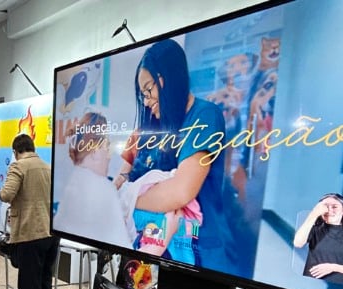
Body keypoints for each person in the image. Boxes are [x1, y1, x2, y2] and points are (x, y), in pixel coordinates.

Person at [111, 39, 234, 272]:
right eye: (142, 94)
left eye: (148, 90)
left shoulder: (205, 116)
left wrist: (125, 198)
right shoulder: (155, 128)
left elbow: (180, 191)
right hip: (153, 243)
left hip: (197, 249)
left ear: (166, 79)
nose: (146, 101)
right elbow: (129, 174)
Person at [0, 133, 59, 289]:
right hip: (51, 234)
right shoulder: (48, 167)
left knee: (29, 285)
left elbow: (7, 194)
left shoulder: (18, 166)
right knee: (44, 280)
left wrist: (0, 192)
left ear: (16, 152)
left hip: (30, 233)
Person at [54, 112, 130, 248]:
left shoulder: (74, 180)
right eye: (107, 148)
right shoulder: (102, 188)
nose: (109, 157)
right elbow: (124, 245)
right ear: (95, 152)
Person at [294, 193, 343, 286]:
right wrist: (314, 214)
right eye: (325, 207)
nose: (329, 210)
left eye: (334, 207)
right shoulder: (313, 230)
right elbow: (298, 243)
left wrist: (333, 267)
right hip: (310, 286)